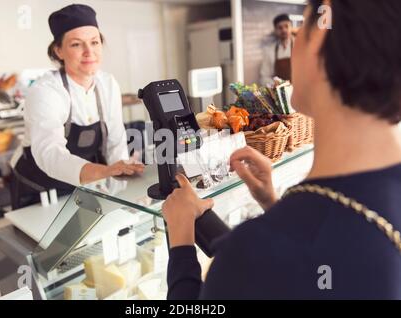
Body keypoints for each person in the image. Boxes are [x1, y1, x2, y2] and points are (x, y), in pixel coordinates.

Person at [163, 0, 401, 299]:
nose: (294, 40)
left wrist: (181, 240)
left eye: (301, 25)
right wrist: (275, 207)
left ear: (321, 40)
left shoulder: (250, 254)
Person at [10, 4, 144, 209]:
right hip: (40, 188)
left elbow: (116, 141)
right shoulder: (45, 91)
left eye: (94, 42)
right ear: (59, 51)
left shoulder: (107, 84)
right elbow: (50, 153)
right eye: (76, 44)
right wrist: (104, 172)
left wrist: (121, 182)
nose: (89, 52)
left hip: (87, 180)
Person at [260, 13, 295, 85]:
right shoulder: (270, 51)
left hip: (298, 90)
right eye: (280, 27)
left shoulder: (299, 46)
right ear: (275, 30)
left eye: (286, 26)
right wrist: (276, 85)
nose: (284, 30)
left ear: (291, 27)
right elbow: (264, 77)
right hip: (279, 93)